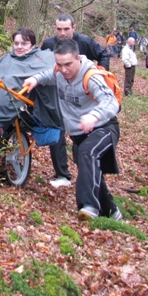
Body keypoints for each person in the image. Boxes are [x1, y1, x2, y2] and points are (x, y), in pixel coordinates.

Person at [23, 38, 122, 221]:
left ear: (78, 58)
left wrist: (94, 116)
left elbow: (111, 102)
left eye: (68, 64)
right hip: (79, 134)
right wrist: (35, 79)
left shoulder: (91, 76)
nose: (64, 69)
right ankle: (112, 212)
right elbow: (48, 74)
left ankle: (89, 207)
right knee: (90, 169)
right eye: (60, 65)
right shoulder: (59, 72)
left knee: (87, 153)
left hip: (104, 128)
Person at [41, 13, 111, 188]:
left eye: (66, 29)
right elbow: (40, 65)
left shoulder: (85, 42)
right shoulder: (49, 44)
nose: (62, 33)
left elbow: (103, 54)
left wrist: (100, 73)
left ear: (74, 27)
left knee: (80, 137)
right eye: (59, 29)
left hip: (83, 99)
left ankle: (85, 173)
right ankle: (62, 174)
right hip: (58, 95)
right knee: (57, 133)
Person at [0, 28, 60, 135]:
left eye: (24, 44)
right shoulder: (8, 57)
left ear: (32, 45)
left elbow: (55, 70)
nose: (19, 47)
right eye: (16, 43)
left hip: (22, 92)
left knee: (10, 83)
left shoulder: (43, 57)